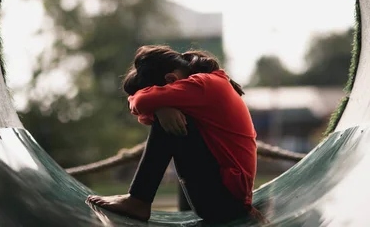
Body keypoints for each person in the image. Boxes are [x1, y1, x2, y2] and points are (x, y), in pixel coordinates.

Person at [86, 45, 261, 224]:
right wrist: (161, 107)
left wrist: (160, 106)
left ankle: (139, 199)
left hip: (224, 201)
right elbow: (141, 108)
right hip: (223, 197)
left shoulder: (202, 85)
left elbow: (141, 101)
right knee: (171, 117)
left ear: (171, 79)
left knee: (170, 123)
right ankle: (139, 199)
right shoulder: (205, 82)